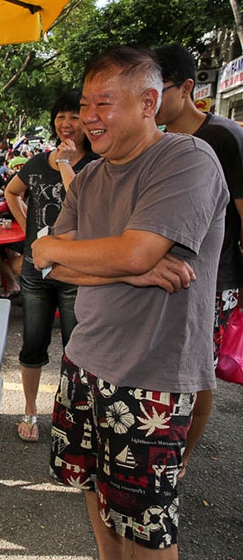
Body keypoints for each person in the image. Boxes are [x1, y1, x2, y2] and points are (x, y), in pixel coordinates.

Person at [32, 47, 227, 558]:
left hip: (151, 375)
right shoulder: (91, 175)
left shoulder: (186, 158)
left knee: (146, 523)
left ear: (148, 102)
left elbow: (138, 250)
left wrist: (104, 257)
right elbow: (43, 259)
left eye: (104, 104)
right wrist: (129, 272)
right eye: (84, 104)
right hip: (84, 358)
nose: (88, 118)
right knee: (94, 488)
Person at [154, 44, 243, 479]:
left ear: (187, 88)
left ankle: (181, 460)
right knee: (177, 363)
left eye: (158, 88)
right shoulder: (165, 142)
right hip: (171, 273)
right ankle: (165, 446)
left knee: (197, 369)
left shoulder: (222, 137)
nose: (148, 99)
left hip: (215, 276)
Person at [5, 89, 98, 442]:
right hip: (35, 272)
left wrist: (64, 164)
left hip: (77, 272)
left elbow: (85, 204)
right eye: (61, 116)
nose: (66, 123)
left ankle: (74, 416)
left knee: (78, 347)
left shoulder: (96, 164)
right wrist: (25, 225)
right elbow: (12, 192)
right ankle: (30, 410)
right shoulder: (36, 162)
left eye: (74, 116)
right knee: (32, 344)